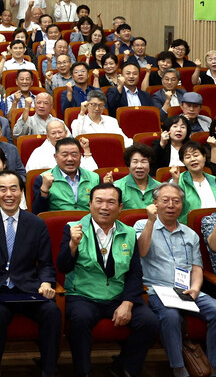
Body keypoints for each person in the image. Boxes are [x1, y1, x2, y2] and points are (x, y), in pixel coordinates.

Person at [0, 170, 58, 377]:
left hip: (27, 287)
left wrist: (47, 283)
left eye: (14, 188)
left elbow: (46, 263)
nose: (8, 194)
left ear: (22, 192)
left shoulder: (36, 223)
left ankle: (48, 370)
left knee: (51, 311)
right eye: (2, 189)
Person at [57, 184, 158, 377]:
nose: (105, 207)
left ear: (120, 208)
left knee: (149, 321)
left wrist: (127, 304)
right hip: (83, 295)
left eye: (111, 202)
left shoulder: (128, 232)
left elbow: (135, 273)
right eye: (99, 201)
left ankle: (124, 367)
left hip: (117, 296)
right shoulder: (73, 228)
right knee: (80, 319)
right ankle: (83, 371)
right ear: (90, 204)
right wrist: (72, 245)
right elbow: (63, 267)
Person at [133, 183, 216, 377]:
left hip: (186, 291)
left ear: (182, 205)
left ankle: (213, 366)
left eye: (176, 201)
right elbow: (142, 251)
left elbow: (197, 268)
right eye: (165, 200)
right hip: (157, 290)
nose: (171, 205)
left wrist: (195, 288)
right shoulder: (141, 225)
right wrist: (150, 222)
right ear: (155, 204)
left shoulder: (190, 234)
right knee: (170, 316)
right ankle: (179, 368)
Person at [32, 137, 101, 214]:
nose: (70, 159)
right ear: (56, 157)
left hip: (87, 223)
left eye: (74, 155)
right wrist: (44, 190)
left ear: (80, 156)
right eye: (65, 155)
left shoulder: (95, 178)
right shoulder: (43, 179)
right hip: (58, 223)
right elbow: (37, 213)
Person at [25, 121, 98, 171]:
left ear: (66, 133)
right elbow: (32, 175)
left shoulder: (73, 149)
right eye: (53, 133)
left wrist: (86, 150)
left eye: (60, 132)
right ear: (47, 136)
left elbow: (92, 172)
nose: (57, 136)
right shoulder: (38, 152)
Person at [175, 141, 216, 224]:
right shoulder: (178, 181)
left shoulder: (214, 180)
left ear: (204, 157)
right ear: (183, 161)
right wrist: (175, 183)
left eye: (196, 155)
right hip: (189, 228)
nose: (193, 159)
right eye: (187, 157)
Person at [111, 143, 161, 210]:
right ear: (129, 166)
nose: (139, 166)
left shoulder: (160, 188)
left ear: (150, 166)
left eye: (144, 161)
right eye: (135, 162)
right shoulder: (117, 187)